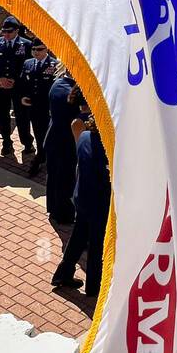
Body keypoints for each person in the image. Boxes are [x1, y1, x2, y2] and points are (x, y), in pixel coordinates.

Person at [50, 114, 110, 296]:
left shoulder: (84, 137)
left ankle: (63, 273)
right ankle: (94, 287)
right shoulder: (108, 150)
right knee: (96, 245)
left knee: (78, 237)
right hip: (99, 203)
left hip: (82, 197)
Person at [0, 16, 33, 158]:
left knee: (22, 116)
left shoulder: (26, 45)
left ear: (17, 31)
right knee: (2, 115)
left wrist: (16, 81)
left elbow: (29, 66)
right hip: (0, 87)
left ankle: (27, 142)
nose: (6, 35)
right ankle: (6, 141)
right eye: (4, 32)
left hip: (19, 88)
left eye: (9, 32)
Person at [42, 72, 83, 224]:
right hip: (65, 143)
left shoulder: (58, 84)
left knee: (54, 177)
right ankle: (63, 215)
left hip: (54, 138)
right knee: (64, 180)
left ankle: (53, 209)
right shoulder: (72, 92)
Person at [16, 38, 61, 176]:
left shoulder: (55, 65)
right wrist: (23, 96)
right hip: (33, 106)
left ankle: (42, 158)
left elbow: (57, 87)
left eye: (40, 49)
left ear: (46, 49)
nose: (36, 52)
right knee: (38, 133)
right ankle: (42, 155)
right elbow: (23, 82)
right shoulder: (28, 63)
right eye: (34, 50)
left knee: (49, 135)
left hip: (47, 108)